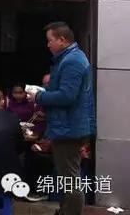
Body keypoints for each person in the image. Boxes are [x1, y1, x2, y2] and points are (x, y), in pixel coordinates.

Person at [28, 22, 95, 215]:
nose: (48, 45)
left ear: (62, 40)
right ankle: (65, 211)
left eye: (50, 40)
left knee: (70, 179)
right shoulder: (71, 58)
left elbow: (67, 96)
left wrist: (39, 96)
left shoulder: (72, 61)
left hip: (68, 129)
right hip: (67, 126)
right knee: (67, 177)